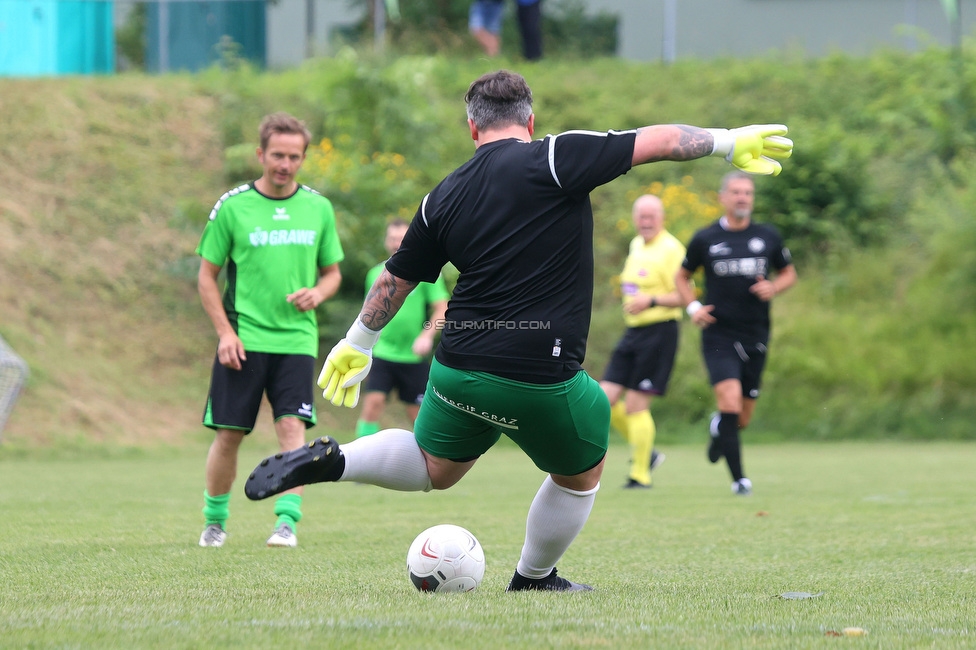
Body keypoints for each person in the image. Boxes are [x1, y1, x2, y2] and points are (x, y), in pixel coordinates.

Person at [244, 70, 792, 590]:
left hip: (457, 369)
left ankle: (335, 460)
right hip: (539, 372)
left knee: (435, 467)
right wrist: (726, 140)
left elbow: (396, 279)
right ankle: (534, 578)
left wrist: (355, 343)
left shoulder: (443, 196)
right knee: (584, 466)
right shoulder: (555, 157)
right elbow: (657, 141)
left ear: (472, 127)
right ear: (529, 122)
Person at [195, 112, 344, 548]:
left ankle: (286, 523)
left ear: (303, 158)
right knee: (228, 434)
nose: (285, 164)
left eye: (294, 156)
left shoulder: (318, 207)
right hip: (243, 339)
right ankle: (215, 522)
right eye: (277, 155)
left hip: (295, 341)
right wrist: (225, 333)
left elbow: (333, 273)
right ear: (261, 154)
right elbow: (206, 276)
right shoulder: (233, 206)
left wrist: (318, 292)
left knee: (292, 431)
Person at [675, 171, 797, 497]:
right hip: (718, 335)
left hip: (756, 334)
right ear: (723, 197)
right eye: (737, 192)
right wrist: (693, 308)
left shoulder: (767, 237)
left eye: (748, 193)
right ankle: (739, 480)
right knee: (728, 401)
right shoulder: (706, 239)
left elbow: (788, 273)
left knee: (741, 417)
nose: (743, 198)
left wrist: (775, 286)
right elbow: (682, 277)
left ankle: (720, 432)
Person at [600, 194, 685, 489]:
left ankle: (640, 475)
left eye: (651, 217)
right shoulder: (636, 244)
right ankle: (647, 453)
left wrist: (650, 300)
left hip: (660, 330)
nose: (646, 222)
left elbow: (684, 295)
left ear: (662, 218)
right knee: (603, 399)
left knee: (636, 405)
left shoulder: (672, 249)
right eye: (641, 216)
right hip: (633, 332)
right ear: (635, 218)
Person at [355, 219, 449, 438]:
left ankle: (426, 464)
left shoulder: (426, 272)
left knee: (418, 415)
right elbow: (366, 314)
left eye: (402, 239)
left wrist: (427, 336)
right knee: (372, 404)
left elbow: (442, 308)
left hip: (413, 357)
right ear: (387, 241)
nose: (397, 244)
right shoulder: (375, 274)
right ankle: (363, 461)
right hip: (382, 352)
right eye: (393, 239)